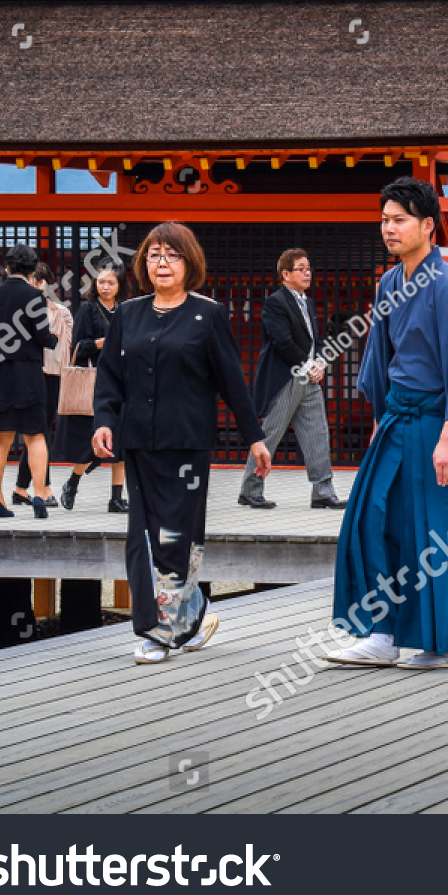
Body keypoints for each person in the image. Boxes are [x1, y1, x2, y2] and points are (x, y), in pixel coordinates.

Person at [325, 178, 448, 668]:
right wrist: (379, 419)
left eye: (400, 219)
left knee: (435, 534)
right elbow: (379, 359)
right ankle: (382, 632)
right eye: (385, 219)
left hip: (437, 423)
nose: (389, 228)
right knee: (372, 518)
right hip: (396, 419)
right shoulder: (389, 283)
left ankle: (447, 640)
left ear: (428, 226)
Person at [93, 222, 272, 665]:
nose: (162, 263)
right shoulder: (128, 313)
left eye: (172, 255)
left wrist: (255, 439)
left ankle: (162, 630)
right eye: (154, 255)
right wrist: (103, 421)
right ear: (143, 264)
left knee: (176, 537)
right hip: (138, 442)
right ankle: (185, 615)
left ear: (189, 262)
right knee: (144, 537)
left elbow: (232, 380)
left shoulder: (207, 314)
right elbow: (110, 378)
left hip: (188, 444)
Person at [239, 248, 344, 510]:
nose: (307, 272)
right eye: (301, 268)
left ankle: (323, 491)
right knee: (270, 434)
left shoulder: (307, 302)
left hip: (308, 377)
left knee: (318, 433)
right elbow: (282, 341)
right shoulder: (276, 302)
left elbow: (315, 341)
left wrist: (320, 363)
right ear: (285, 274)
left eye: (309, 268)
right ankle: (250, 490)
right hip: (285, 377)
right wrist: (309, 366)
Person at [0, 244, 57, 518]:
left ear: (7, 267)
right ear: (32, 270)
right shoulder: (35, 296)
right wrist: (54, 339)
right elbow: (42, 336)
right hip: (28, 375)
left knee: (0, 439)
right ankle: (38, 495)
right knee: (35, 436)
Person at [54, 262, 129, 512]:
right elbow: (78, 347)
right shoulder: (88, 309)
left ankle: (116, 498)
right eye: (101, 281)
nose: (105, 287)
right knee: (97, 439)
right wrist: (103, 343)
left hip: (122, 378)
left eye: (111, 282)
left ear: (120, 286)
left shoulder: (124, 310)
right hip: (95, 380)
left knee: (121, 440)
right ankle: (73, 482)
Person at [10, 263, 71, 509]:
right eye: (31, 280)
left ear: (46, 283)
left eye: (39, 280)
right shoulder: (22, 312)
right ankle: (42, 487)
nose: (35, 285)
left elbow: (65, 347)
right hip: (31, 372)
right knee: (38, 432)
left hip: (53, 374)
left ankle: (21, 488)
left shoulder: (61, 312)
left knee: (41, 430)